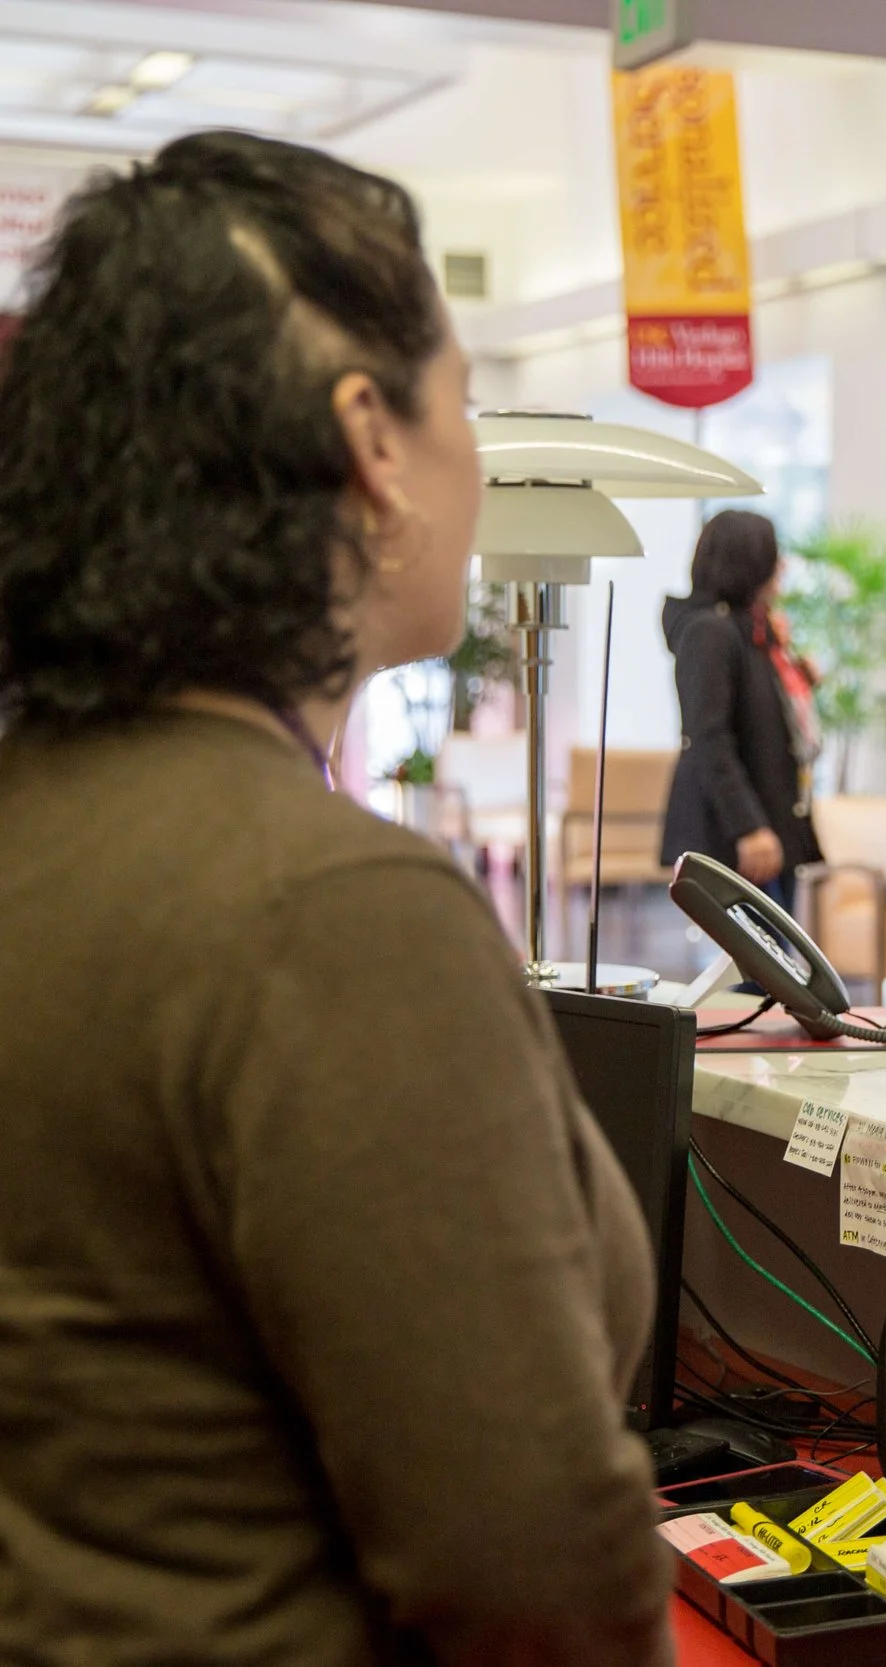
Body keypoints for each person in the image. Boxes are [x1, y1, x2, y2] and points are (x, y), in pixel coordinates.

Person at [0, 134, 671, 1663]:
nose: (479, 457)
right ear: (370, 435)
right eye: (464, 397)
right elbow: (538, 1573)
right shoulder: (332, 910)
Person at [661, 507, 825, 911]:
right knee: (761, 968)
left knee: (772, 966)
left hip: (771, 822)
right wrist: (749, 826)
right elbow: (709, 736)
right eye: (773, 556)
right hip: (741, 835)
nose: (781, 566)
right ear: (750, 563)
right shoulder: (710, 632)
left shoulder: (748, 630)